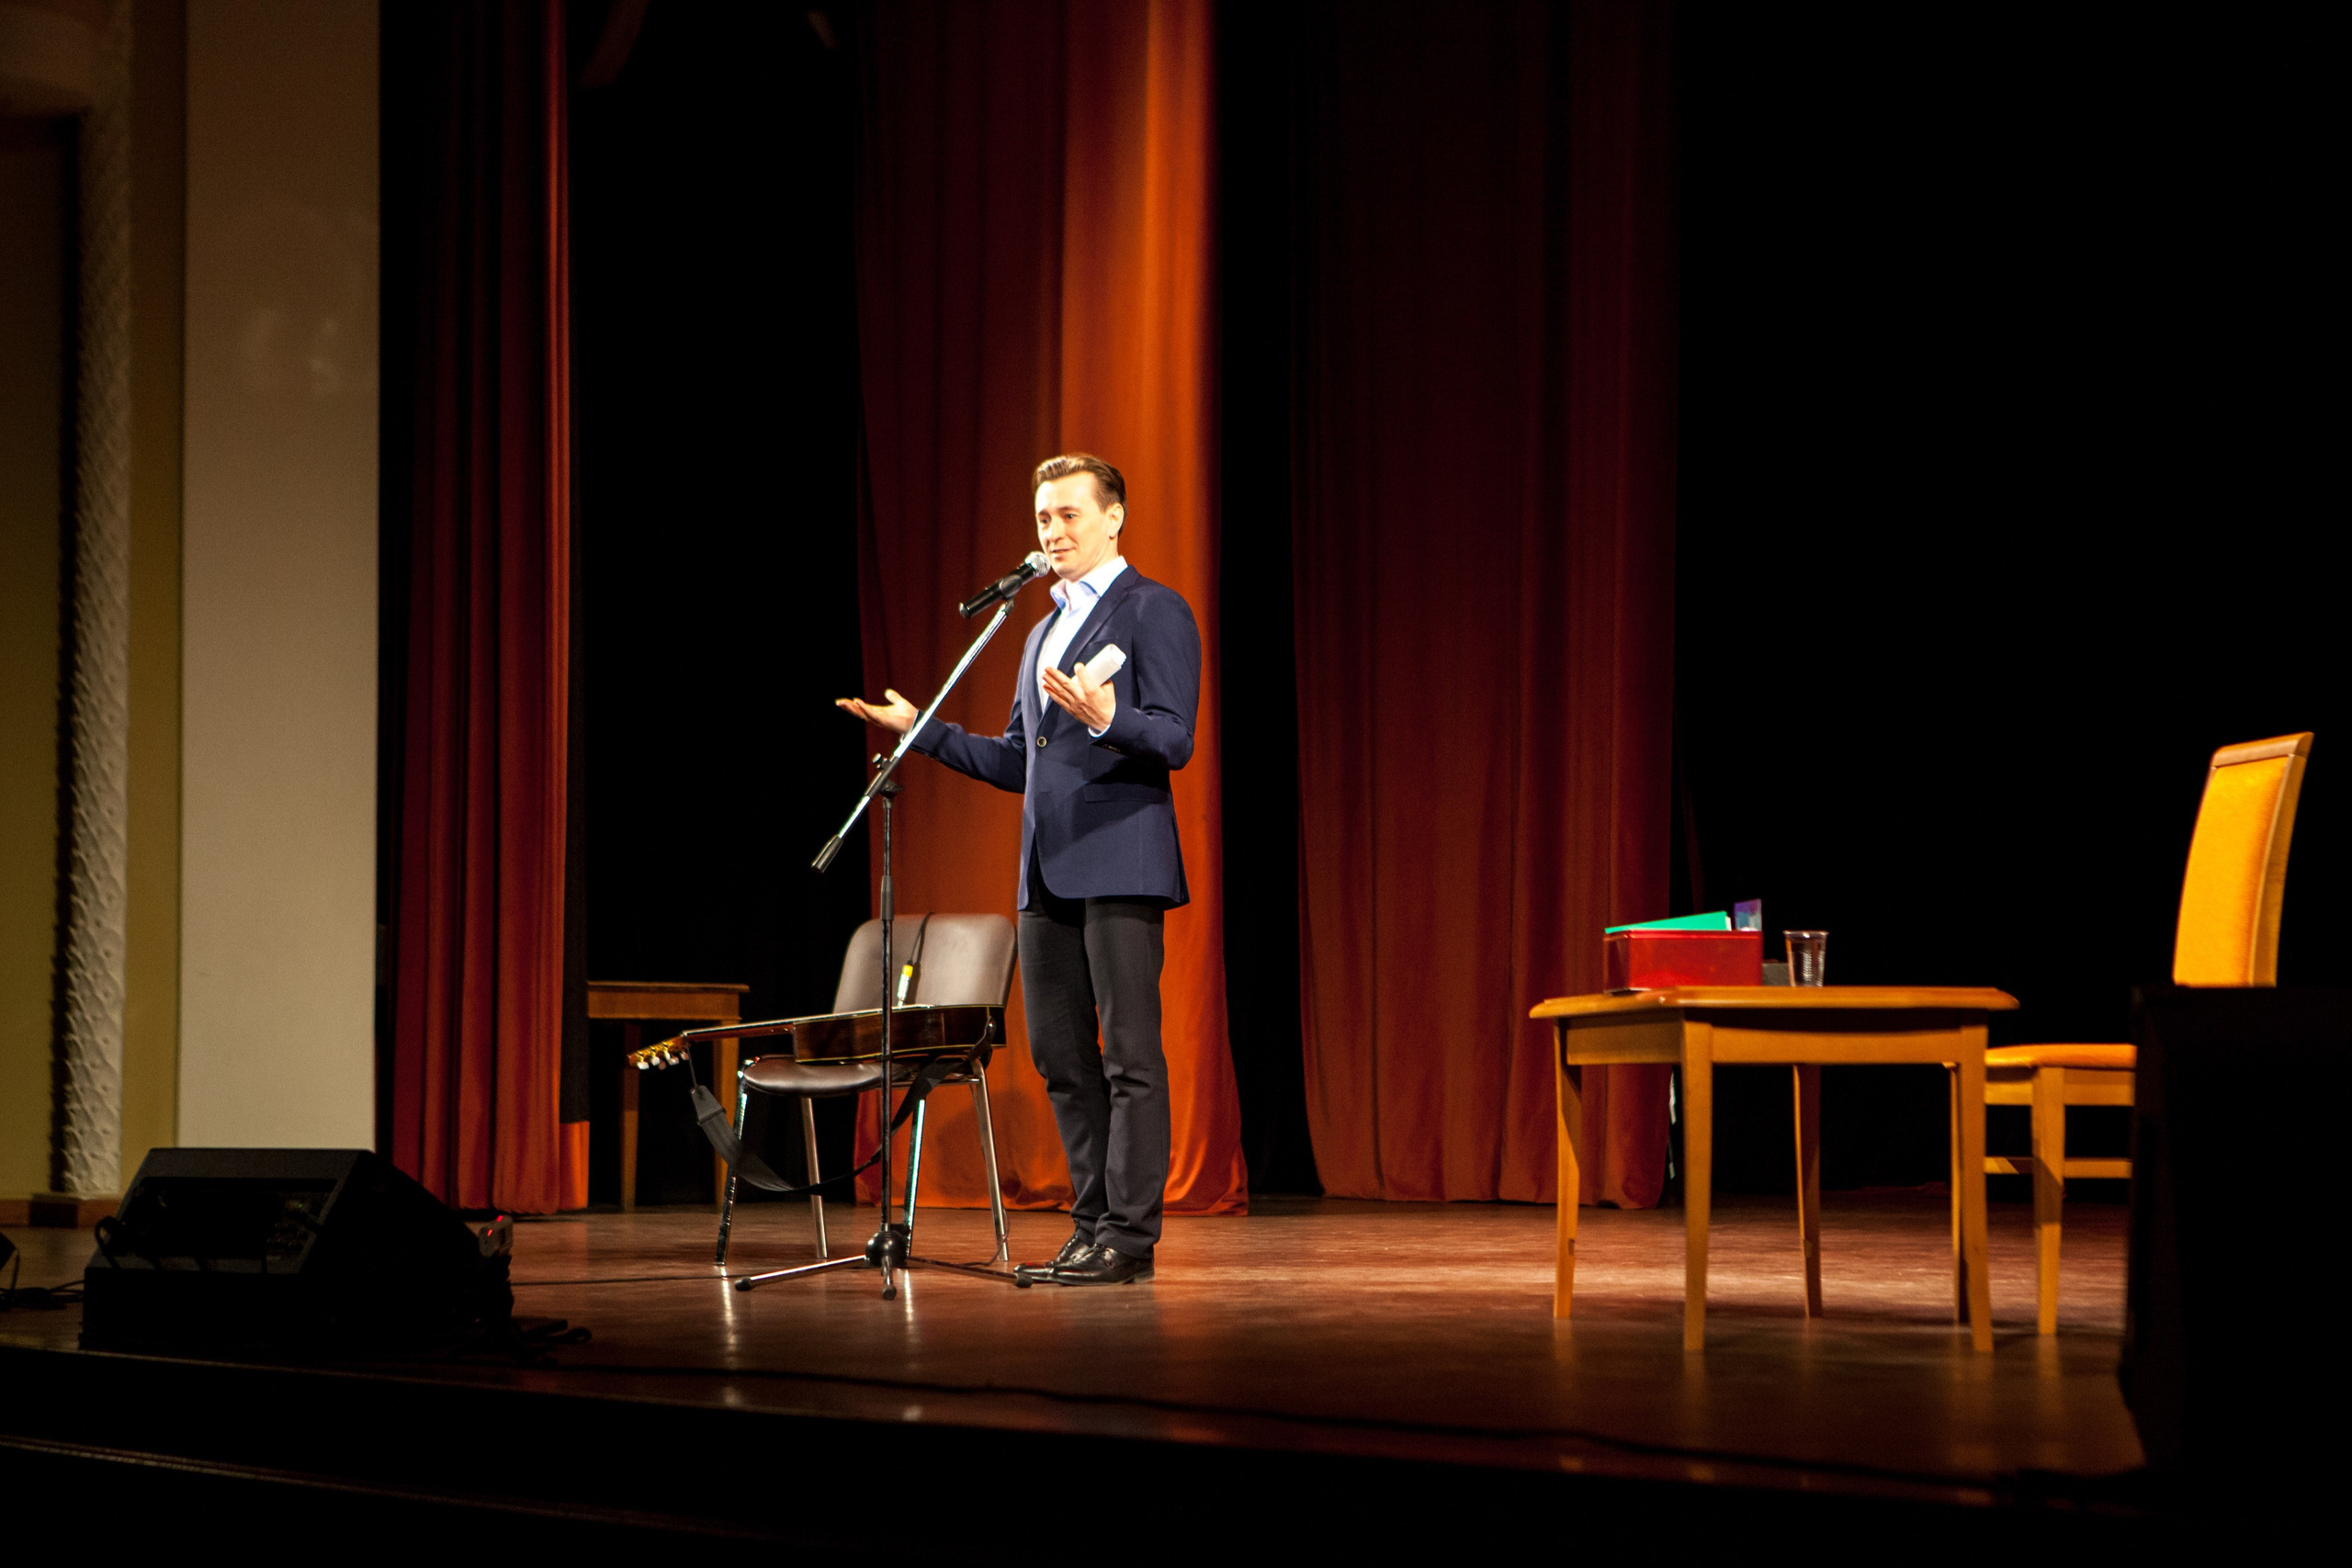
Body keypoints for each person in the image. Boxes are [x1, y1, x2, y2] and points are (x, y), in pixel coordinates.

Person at [837, 454, 1199, 1286]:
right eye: (1044, 518)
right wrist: (920, 728)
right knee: (1062, 1059)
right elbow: (1014, 761)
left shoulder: (1155, 610)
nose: (1054, 532)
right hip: (1047, 870)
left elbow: (1174, 737)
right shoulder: (1037, 629)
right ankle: (1089, 1226)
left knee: (1129, 1056)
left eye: (1071, 515)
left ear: (1115, 520)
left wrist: (1114, 719)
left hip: (1122, 863)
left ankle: (1130, 1237)